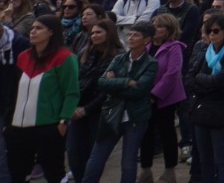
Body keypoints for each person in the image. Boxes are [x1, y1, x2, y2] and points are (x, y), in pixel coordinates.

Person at [82, 20, 158, 183]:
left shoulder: (151, 63)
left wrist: (115, 83)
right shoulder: (119, 59)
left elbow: (140, 90)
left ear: (146, 40)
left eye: (135, 35)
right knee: (97, 156)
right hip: (111, 113)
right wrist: (126, 82)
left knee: (128, 162)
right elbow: (102, 83)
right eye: (129, 34)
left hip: (135, 117)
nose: (130, 38)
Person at [7, 15, 79, 183]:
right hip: (17, 127)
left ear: (51, 32)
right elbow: (14, 91)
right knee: (17, 173)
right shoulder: (23, 56)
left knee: (54, 172)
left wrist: (63, 121)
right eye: (32, 28)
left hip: (48, 126)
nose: (32, 32)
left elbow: (71, 92)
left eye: (38, 28)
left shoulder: (65, 57)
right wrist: (8, 123)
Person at [186, 12, 224, 183]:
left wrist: (203, 79)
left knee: (221, 158)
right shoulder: (206, 50)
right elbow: (189, 78)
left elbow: (221, 80)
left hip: (221, 110)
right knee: (205, 158)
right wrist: (206, 81)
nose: (211, 34)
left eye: (216, 31)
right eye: (209, 31)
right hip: (202, 108)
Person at [68, 18, 122, 182]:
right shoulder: (85, 53)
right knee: (74, 154)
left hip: (100, 112)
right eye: (92, 33)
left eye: (98, 32)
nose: (94, 35)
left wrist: (87, 109)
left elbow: (107, 91)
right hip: (77, 109)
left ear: (109, 33)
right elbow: (74, 80)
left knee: (93, 157)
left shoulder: (118, 57)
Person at [137, 13, 187, 183]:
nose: (155, 28)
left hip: (165, 99)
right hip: (145, 96)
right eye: (154, 25)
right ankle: (145, 169)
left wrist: (155, 94)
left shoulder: (175, 47)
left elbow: (172, 73)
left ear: (169, 29)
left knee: (167, 133)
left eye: (159, 26)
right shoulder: (147, 45)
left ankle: (169, 170)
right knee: (146, 133)